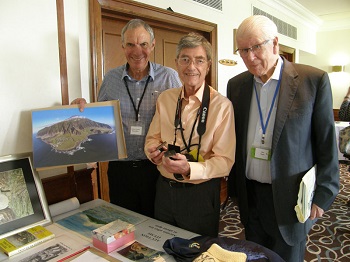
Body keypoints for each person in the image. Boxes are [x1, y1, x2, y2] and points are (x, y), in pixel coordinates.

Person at [226, 15, 340, 261]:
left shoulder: (312, 81)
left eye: (256, 47)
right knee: (254, 256)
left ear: (275, 44)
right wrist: (235, 192)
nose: (249, 56)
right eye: (243, 50)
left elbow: (326, 144)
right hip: (251, 197)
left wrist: (323, 194)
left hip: (291, 199)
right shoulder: (236, 85)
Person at [72, 19, 182, 217]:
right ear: (123, 46)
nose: (137, 50)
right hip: (120, 171)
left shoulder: (170, 77)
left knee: (158, 225)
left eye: (143, 44)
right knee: (124, 225)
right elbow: (100, 121)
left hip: (156, 170)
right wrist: (81, 110)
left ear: (153, 45)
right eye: (130, 44)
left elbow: (181, 121)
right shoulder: (110, 79)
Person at [144, 32, 235, 237]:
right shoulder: (166, 99)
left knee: (197, 253)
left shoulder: (222, 106)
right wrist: (153, 153)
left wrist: (190, 168)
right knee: (163, 247)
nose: (191, 67)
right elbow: (152, 139)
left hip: (200, 196)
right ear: (176, 63)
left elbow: (225, 161)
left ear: (208, 65)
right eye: (185, 59)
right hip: (164, 191)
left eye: (199, 60)